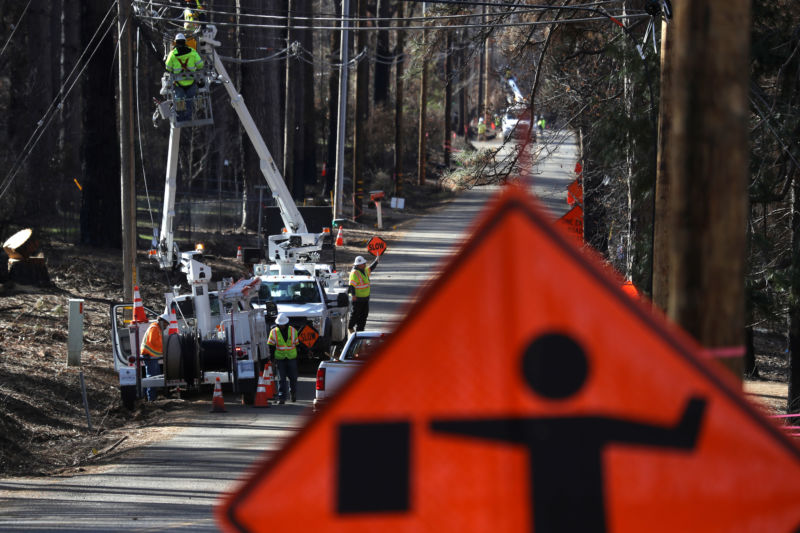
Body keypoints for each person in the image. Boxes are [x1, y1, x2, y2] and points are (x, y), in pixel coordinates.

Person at [165, 33, 204, 122]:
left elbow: (168, 68)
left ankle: (180, 118)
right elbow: (200, 65)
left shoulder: (172, 54)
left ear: (176, 43)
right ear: (185, 42)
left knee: (180, 101)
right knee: (189, 101)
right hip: (191, 83)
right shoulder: (193, 52)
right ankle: (188, 118)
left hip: (178, 84)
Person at [267, 313, 300, 404]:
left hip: (291, 358)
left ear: (286, 323)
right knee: (281, 379)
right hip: (280, 358)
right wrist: (272, 359)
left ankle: (293, 393)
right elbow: (271, 347)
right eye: (280, 324)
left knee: (293, 378)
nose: (281, 326)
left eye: (283, 324)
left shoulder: (293, 331)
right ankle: (282, 398)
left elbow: (297, 345)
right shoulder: (273, 332)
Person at [140, 313, 170, 402]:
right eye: (166, 324)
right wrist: (164, 345)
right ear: (162, 321)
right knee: (152, 377)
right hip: (149, 356)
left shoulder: (157, 329)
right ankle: (151, 400)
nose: (166, 326)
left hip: (152, 356)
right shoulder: (154, 328)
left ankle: (148, 398)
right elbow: (153, 342)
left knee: (154, 376)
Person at [348, 255, 379, 333]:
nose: (365, 264)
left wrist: (376, 261)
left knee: (364, 315)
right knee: (355, 315)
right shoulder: (354, 273)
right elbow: (352, 285)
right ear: (358, 265)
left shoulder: (364, 270)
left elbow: (371, 268)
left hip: (365, 298)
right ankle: (350, 327)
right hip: (357, 299)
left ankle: (360, 331)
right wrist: (353, 295)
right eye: (363, 263)